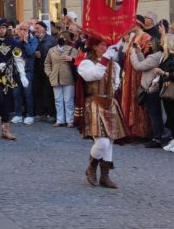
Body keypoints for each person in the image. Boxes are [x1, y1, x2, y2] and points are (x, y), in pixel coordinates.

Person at [78, 37, 128, 189]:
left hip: (110, 103)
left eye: (108, 45)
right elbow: (94, 76)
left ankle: (105, 176)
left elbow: (116, 84)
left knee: (110, 142)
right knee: (102, 142)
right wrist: (106, 59)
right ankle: (91, 167)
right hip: (94, 103)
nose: (107, 48)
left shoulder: (115, 65)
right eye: (103, 45)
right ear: (94, 46)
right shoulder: (86, 63)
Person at [121, 15, 152, 139]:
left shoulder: (146, 37)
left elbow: (145, 57)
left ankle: (141, 131)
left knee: (138, 101)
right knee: (129, 99)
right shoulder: (133, 37)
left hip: (139, 74)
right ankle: (130, 128)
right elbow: (125, 54)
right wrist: (127, 40)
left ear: (137, 24)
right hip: (129, 73)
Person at [44, 31, 78, 127]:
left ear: (67, 39)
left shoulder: (72, 49)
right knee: (58, 100)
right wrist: (49, 74)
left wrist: (72, 59)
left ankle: (70, 120)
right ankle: (60, 120)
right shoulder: (52, 50)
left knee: (68, 100)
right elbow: (47, 63)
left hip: (68, 77)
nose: (61, 38)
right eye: (60, 36)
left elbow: (77, 62)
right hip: (55, 77)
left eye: (63, 37)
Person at [13, 21, 38, 125]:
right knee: (16, 93)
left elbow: (31, 52)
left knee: (28, 92)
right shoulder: (15, 39)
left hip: (28, 70)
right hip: (16, 70)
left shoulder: (33, 40)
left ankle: (30, 115)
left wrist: (26, 41)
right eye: (21, 29)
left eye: (25, 30)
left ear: (29, 31)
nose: (22, 32)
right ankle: (18, 114)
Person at [33, 21, 57, 122]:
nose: (35, 30)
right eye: (35, 28)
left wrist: (41, 55)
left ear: (44, 28)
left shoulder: (51, 40)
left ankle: (51, 113)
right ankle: (40, 113)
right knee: (38, 91)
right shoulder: (34, 39)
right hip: (37, 69)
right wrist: (34, 54)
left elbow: (54, 54)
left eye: (37, 28)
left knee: (49, 92)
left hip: (47, 69)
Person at [155, 33, 174, 151]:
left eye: (162, 40)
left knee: (173, 116)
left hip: (171, 90)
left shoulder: (172, 57)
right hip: (166, 90)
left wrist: (163, 73)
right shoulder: (165, 57)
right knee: (170, 117)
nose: (160, 42)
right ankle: (172, 139)